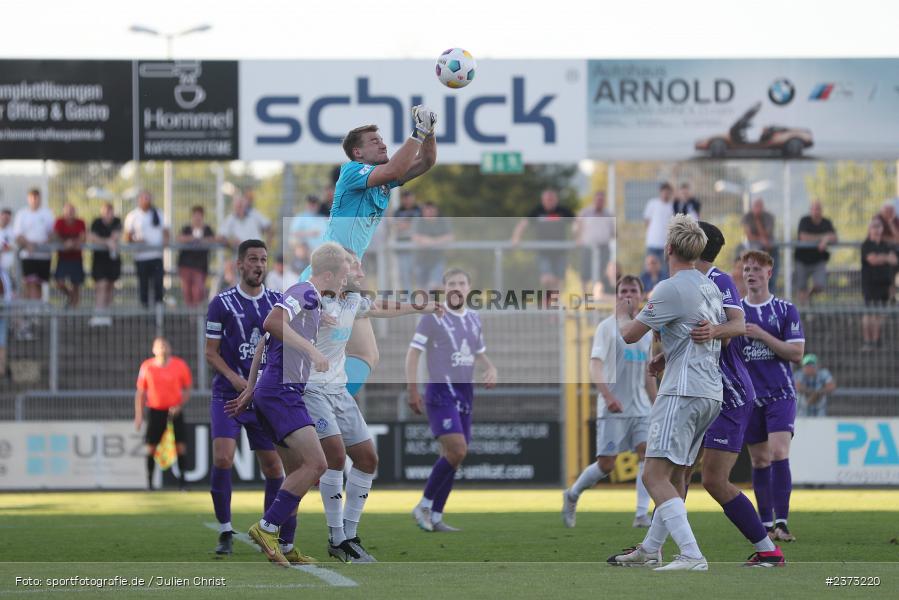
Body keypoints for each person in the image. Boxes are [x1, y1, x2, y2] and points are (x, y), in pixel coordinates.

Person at [306, 250, 442, 562]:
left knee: (367, 459)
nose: (360, 271)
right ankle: (336, 537)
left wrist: (421, 306)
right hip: (310, 388)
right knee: (336, 456)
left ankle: (351, 536)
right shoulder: (310, 296)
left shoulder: (352, 299)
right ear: (338, 270)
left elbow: (380, 306)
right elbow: (282, 319)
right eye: (354, 266)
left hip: (337, 390)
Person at [609, 215, 722, 571]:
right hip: (709, 391)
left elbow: (630, 334)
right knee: (673, 475)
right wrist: (665, 355)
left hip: (682, 392)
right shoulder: (709, 286)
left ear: (669, 248)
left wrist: (622, 314)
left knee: (653, 476)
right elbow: (695, 332)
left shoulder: (669, 288)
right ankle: (650, 548)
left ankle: (692, 555)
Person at [225, 242, 349, 566]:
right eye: (344, 275)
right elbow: (270, 325)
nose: (346, 282)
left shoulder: (314, 303)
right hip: (283, 392)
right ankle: (267, 527)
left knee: (297, 470)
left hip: (272, 391)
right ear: (328, 274)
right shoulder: (305, 291)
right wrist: (312, 351)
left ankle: (287, 544)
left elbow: (264, 343)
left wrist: (251, 389)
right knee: (317, 465)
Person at [301, 107, 438, 398]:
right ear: (358, 153)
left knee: (366, 355)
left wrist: (429, 133)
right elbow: (395, 169)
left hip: (346, 280)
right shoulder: (351, 171)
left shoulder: (383, 181)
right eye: (374, 141)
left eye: (382, 139)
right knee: (303, 353)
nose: (383, 143)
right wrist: (417, 132)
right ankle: (306, 405)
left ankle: (328, 406)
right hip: (324, 277)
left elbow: (426, 161)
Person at [692, 222, 784, 566]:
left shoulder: (718, 280)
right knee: (674, 472)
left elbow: (735, 326)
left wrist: (712, 332)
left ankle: (769, 549)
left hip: (727, 392)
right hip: (697, 391)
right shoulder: (685, 280)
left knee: (714, 480)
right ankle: (654, 547)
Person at [204, 239, 285, 556]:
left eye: (263, 259)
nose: (258, 265)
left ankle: (268, 531)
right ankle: (225, 531)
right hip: (229, 393)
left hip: (263, 397)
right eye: (252, 259)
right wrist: (238, 381)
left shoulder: (278, 303)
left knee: (273, 467)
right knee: (223, 457)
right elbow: (211, 353)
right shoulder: (221, 303)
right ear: (239, 264)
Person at [407, 268, 498, 533]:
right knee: (457, 450)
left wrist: (490, 368)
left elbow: (479, 353)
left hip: (465, 394)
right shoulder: (433, 317)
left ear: (469, 287)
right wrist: (412, 389)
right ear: (444, 288)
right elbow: (413, 354)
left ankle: (436, 515)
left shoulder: (474, 318)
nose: (457, 287)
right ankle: (423, 505)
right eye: (451, 283)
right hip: (439, 393)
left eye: (461, 282)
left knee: (453, 457)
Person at [562, 275, 656, 529]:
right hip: (614, 408)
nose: (627, 294)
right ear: (616, 296)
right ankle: (572, 495)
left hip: (640, 408)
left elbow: (648, 374)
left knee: (647, 454)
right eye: (623, 290)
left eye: (632, 290)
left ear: (641, 295)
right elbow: (595, 365)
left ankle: (640, 515)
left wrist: (657, 403)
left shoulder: (645, 331)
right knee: (606, 464)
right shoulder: (607, 327)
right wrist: (607, 396)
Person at [741, 250, 805, 543]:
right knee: (759, 461)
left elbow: (796, 353)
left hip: (780, 394)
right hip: (750, 398)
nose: (750, 273)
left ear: (769, 273)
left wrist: (762, 335)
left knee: (779, 453)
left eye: (756, 269)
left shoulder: (784, 309)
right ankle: (765, 524)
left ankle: (782, 522)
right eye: (746, 269)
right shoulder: (735, 313)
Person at [134, 337, 193, 490]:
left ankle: (183, 484)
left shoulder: (180, 365)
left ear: (170, 348)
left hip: (175, 411)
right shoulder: (147, 367)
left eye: (165, 346)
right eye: (159, 346)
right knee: (151, 447)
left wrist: (179, 405)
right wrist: (139, 415)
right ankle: (149, 484)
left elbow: (187, 388)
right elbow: (140, 392)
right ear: (154, 350)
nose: (163, 349)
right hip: (155, 411)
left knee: (180, 446)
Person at [510, 189, 576, 296]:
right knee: (546, 279)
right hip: (543, 253)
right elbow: (523, 224)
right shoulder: (538, 211)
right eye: (547, 200)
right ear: (543, 200)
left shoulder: (562, 211)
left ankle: (554, 308)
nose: (549, 202)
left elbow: (577, 223)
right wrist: (516, 237)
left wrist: (577, 237)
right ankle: (550, 300)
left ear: (556, 200)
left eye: (551, 199)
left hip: (560, 253)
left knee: (559, 284)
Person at [124, 191, 168, 307]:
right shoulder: (133, 215)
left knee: (158, 285)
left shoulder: (158, 213)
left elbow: (166, 232)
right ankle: (145, 311)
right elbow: (127, 237)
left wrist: (164, 243)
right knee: (143, 285)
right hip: (141, 257)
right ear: (139, 200)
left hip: (156, 256)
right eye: (144, 198)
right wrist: (137, 241)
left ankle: (159, 312)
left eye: (148, 198)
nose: (146, 201)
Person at [12, 188, 55, 303]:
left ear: (40, 198)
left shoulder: (47, 213)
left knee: (38, 284)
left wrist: (45, 242)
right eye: (32, 197)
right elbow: (17, 235)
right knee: (30, 282)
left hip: (43, 256)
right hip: (28, 255)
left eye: (37, 197)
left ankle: (35, 313)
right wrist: (28, 244)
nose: (35, 200)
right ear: (28, 198)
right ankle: (29, 312)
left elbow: (52, 233)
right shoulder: (22, 214)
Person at [860, 218, 896, 351]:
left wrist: (882, 257)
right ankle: (867, 341)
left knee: (879, 314)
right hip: (870, 284)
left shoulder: (886, 245)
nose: (876, 229)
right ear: (869, 229)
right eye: (874, 226)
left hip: (884, 285)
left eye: (879, 226)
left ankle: (876, 341)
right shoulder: (866, 245)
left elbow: (894, 260)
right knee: (869, 313)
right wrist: (885, 258)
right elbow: (872, 260)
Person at [794, 200, 837, 305]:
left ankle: (809, 296)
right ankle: (801, 313)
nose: (816, 211)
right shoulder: (804, 220)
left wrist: (826, 239)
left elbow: (834, 237)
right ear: (810, 210)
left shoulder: (826, 222)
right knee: (801, 287)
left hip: (819, 260)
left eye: (818, 209)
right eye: (814, 209)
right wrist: (823, 237)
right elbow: (803, 237)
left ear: (821, 210)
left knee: (820, 285)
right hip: (802, 259)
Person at [574, 190, 615, 295]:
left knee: (602, 274)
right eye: (598, 199)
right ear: (594, 200)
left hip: (603, 248)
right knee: (585, 273)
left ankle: (597, 296)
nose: (599, 202)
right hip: (587, 247)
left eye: (602, 200)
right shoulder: (585, 212)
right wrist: (578, 239)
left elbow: (613, 232)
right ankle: (585, 297)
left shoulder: (608, 214)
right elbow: (577, 227)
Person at [89, 202, 122, 326]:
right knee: (101, 285)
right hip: (99, 260)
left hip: (113, 260)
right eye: (106, 211)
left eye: (110, 212)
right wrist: (106, 242)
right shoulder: (96, 222)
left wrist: (108, 241)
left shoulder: (117, 221)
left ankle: (106, 313)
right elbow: (92, 237)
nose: (109, 214)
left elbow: (116, 236)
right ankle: (98, 313)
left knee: (110, 286)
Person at [177, 206, 216, 307]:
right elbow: (179, 238)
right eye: (196, 216)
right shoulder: (187, 229)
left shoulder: (207, 229)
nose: (197, 218)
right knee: (187, 291)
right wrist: (191, 239)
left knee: (198, 291)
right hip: (185, 264)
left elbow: (213, 239)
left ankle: (196, 315)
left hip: (200, 266)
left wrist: (202, 240)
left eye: (200, 216)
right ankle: (191, 317)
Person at [412, 202, 454, 291]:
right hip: (421, 260)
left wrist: (433, 242)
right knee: (421, 289)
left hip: (437, 259)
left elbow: (449, 237)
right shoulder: (419, 221)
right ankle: (424, 304)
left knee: (435, 286)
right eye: (427, 211)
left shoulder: (442, 221)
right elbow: (416, 237)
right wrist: (434, 241)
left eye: (432, 211)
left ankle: (435, 304)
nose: (429, 213)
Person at [52, 202, 86, 308]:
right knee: (59, 282)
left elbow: (83, 237)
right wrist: (64, 243)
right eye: (68, 211)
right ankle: (70, 296)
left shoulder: (80, 222)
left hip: (76, 258)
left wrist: (72, 243)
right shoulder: (59, 222)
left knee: (76, 284)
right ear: (64, 212)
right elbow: (55, 235)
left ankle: (74, 310)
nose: (70, 213)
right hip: (63, 258)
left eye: (72, 210)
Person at [741, 198, 777, 288]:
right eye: (756, 206)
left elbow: (767, 234)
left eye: (759, 206)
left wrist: (758, 221)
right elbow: (748, 235)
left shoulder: (769, 217)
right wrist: (761, 239)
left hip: (770, 250)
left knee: (771, 277)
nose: (758, 209)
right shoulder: (747, 217)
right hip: (754, 250)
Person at [391, 190, 422, 292]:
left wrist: (406, 224)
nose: (408, 201)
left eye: (409, 198)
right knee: (404, 274)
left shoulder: (419, 210)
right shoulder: (398, 211)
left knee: (418, 273)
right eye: (405, 198)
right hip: (402, 247)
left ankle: (421, 295)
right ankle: (408, 297)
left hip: (417, 247)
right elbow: (395, 226)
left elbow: (419, 225)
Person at [642, 183, 675, 279]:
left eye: (668, 192)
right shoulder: (652, 203)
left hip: (665, 245)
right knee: (649, 269)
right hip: (652, 243)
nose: (666, 194)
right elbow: (647, 221)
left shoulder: (672, 206)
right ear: (661, 192)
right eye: (664, 192)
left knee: (664, 271)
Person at [0, 208, 14, 279]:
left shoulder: (12, 231)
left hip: (8, 268)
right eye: (4, 217)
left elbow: (12, 246)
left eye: (8, 218)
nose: (6, 220)